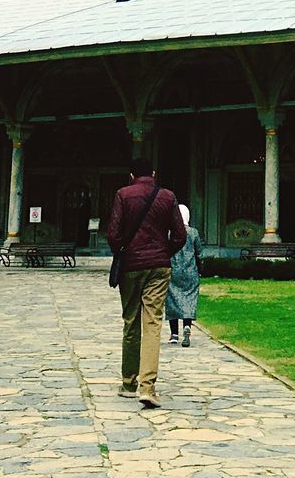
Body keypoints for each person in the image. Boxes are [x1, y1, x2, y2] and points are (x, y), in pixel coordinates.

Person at [107, 158, 186, 409]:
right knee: (152, 324)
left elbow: (113, 234)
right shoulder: (167, 196)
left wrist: (124, 252)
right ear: (153, 173)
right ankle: (148, 387)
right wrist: (164, 252)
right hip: (159, 267)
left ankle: (129, 382)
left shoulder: (123, 194)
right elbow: (180, 235)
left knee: (131, 321)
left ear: (131, 176)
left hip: (131, 267)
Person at [167, 204, 203, 348]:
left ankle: (174, 334)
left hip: (173, 271)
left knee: (172, 301)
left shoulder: (170, 233)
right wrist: (200, 269)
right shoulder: (193, 233)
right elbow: (199, 253)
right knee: (189, 300)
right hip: (190, 271)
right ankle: (186, 327)